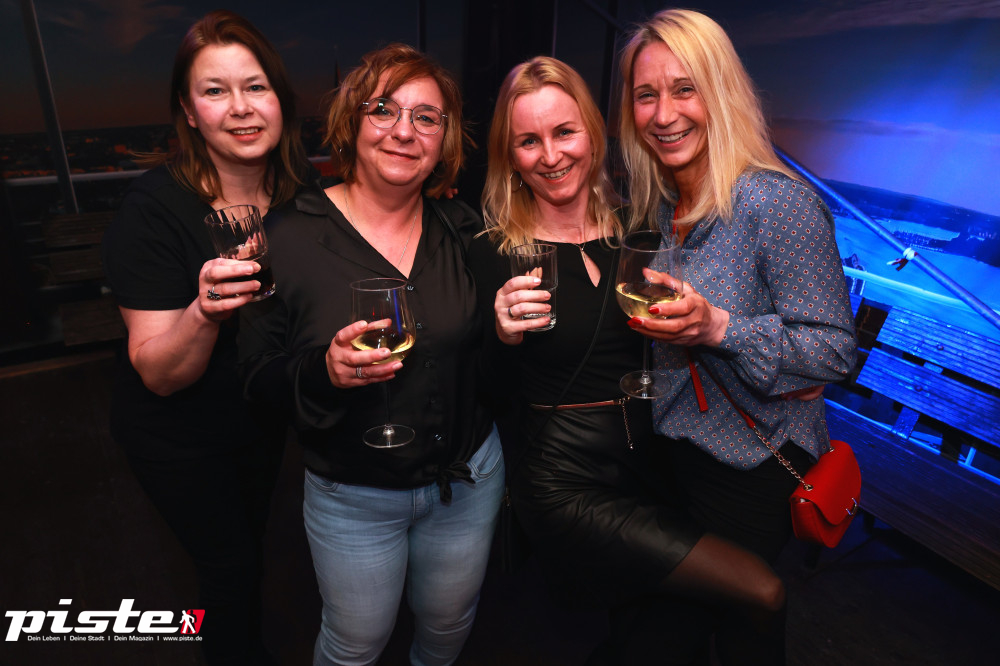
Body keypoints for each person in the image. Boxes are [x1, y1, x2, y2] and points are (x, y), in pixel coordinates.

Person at [470, 55, 797, 666]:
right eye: (528, 141)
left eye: (564, 132)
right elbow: (486, 389)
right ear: (509, 157)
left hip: (654, 461)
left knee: (655, 636)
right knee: (761, 591)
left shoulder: (641, 229)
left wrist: (776, 350)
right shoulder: (494, 250)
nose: (551, 155)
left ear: (593, 135)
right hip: (564, 476)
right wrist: (502, 336)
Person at [239, 44, 504, 666]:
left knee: (448, 623)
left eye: (426, 117)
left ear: (444, 139)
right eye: (383, 109)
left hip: (467, 480)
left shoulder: (463, 229)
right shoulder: (285, 237)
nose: (404, 131)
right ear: (352, 122)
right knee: (356, 643)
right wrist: (323, 370)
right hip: (352, 496)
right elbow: (253, 377)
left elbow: (492, 358)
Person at [617, 8, 858, 662]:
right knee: (726, 626)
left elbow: (835, 352)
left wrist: (719, 327)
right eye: (646, 95)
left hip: (753, 465)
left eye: (685, 89)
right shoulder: (663, 205)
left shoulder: (777, 203)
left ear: (721, 93)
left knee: (659, 638)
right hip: (677, 456)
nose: (664, 114)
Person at [100, 10, 310, 666]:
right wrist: (204, 311)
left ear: (279, 100)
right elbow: (159, 373)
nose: (241, 107)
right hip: (177, 432)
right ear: (189, 113)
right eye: (216, 91)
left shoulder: (302, 197)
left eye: (256, 87)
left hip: (257, 417)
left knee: (253, 549)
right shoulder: (154, 210)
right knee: (230, 567)